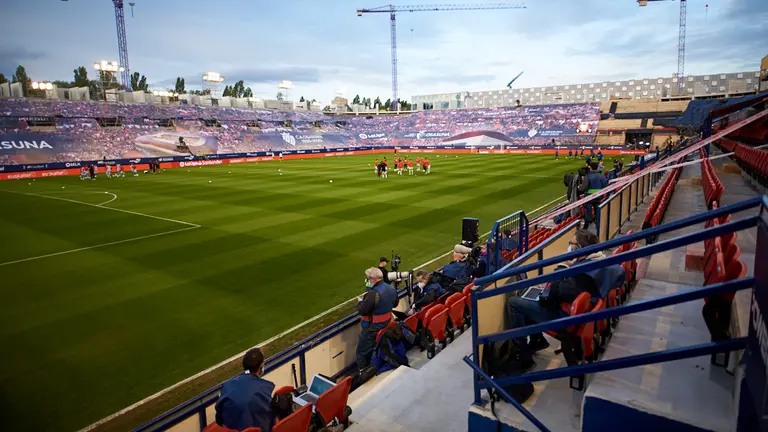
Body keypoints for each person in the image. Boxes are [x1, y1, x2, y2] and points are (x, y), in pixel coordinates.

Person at [504, 229, 604, 370]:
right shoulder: (594, 261)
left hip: (562, 316)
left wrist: (562, 267)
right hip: (567, 310)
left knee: (513, 303)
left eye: (572, 243)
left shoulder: (583, 270)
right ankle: (537, 339)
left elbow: (557, 292)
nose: (570, 246)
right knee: (523, 293)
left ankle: (524, 356)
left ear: (579, 248)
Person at [215, 347, 276, 432]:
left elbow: (219, 418)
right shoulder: (264, 389)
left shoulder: (227, 385)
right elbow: (270, 421)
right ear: (261, 367)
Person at [357, 268, 398, 369]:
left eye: (368, 279)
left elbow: (362, 310)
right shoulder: (391, 288)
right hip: (386, 324)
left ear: (373, 279)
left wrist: (360, 302)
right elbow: (395, 304)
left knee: (362, 352)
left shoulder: (373, 294)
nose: (367, 281)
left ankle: (363, 374)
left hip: (372, 329)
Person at [583, 162, 608, 230]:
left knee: (588, 212)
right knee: (598, 213)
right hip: (599, 197)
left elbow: (584, 187)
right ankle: (598, 225)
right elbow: (605, 185)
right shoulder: (601, 176)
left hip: (589, 198)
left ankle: (586, 226)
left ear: (590, 168)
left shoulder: (588, 176)